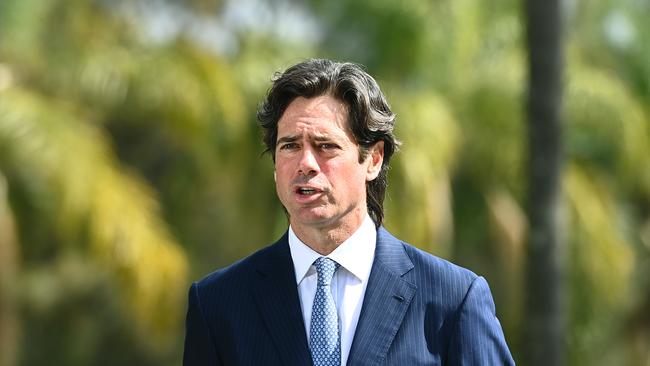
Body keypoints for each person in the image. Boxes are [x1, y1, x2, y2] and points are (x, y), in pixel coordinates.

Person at [183, 59, 515, 365]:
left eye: (326, 146)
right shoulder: (219, 304)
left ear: (373, 159)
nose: (306, 164)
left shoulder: (453, 299)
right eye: (290, 146)